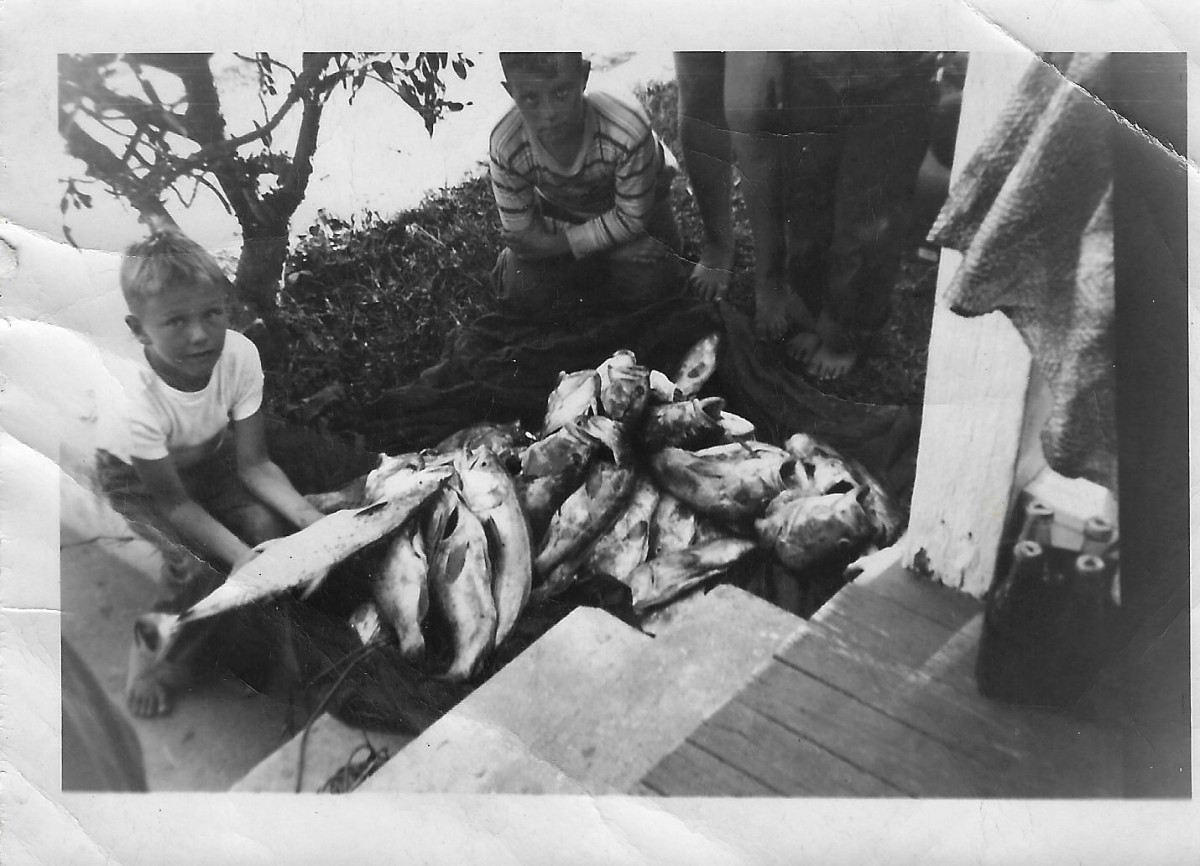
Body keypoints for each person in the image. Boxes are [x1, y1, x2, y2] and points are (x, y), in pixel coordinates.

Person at [98, 227, 375, 718]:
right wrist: (241, 557)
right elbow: (176, 504)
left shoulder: (240, 355)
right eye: (175, 322)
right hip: (141, 481)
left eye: (212, 313)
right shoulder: (134, 403)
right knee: (190, 571)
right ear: (139, 329)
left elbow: (256, 465)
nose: (200, 334)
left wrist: (312, 522)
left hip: (208, 455)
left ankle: (279, 643)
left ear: (227, 305)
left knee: (267, 527)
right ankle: (151, 657)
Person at [678, 52, 937, 380]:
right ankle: (816, 312)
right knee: (808, 201)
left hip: (893, 78)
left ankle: (846, 331)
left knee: (867, 218)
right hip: (814, 68)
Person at [489, 52, 685, 322]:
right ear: (510, 91)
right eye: (531, 98)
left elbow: (632, 218)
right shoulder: (505, 142)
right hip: (563, 210)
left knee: (655, 281)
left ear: (583, 76)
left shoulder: (625, 125)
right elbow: (525, 238)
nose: (549, 115)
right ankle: (596, 269)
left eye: (561, 93)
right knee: (519, 287)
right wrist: (610, 248)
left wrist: (554, 246)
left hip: (639, 205)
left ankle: (591, 275)